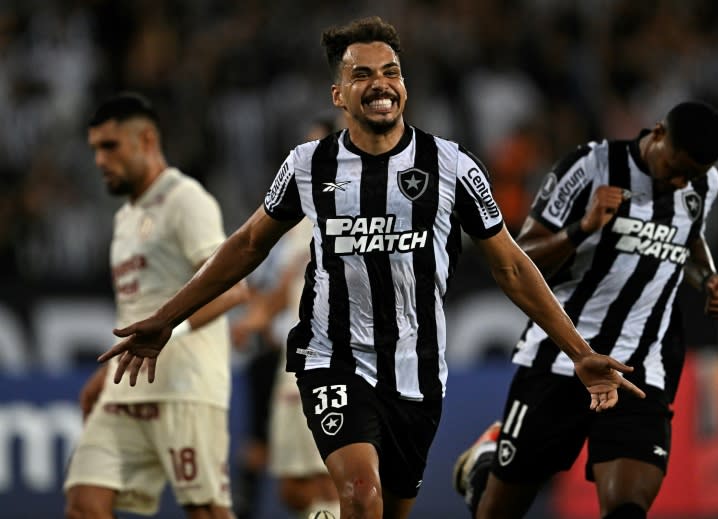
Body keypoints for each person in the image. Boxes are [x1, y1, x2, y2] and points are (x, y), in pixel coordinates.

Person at [97, 17, 644, 519]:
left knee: (385, 511)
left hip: (417, 370)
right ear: (339, 94)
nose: (380, 83)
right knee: (360, 498)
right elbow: (245, 247)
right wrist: (167, 319)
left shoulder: (451, 165)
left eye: (391, 73)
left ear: (404, 86)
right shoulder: (309, 165)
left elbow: (512, 267)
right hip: (331, 356)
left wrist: (579, 352)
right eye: (362, 75)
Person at [452, 101, 718, 519]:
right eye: (675, 168)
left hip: (639, 370)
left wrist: (707, 277)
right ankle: (484, 469)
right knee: (496, 512)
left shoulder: (703, 183)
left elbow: (689, 239)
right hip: (562, 358)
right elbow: (520, 255)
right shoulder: (590, 166)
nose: (679, 182)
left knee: (626, 510)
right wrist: (582, 227)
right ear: (657, 134)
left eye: (690, 176)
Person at [64, 92, 248, 519]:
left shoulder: (186, 199)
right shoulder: (124, 217)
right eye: (94, 149)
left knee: (205, 512)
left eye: (109, 146)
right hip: (124, 390)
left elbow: (233, 289)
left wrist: (170, 331)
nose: (98, 160)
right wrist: (107, 371)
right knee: (83, 504)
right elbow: (136, 309)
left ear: (146, 140)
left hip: (185, 387)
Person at [232, 119, 341, 519]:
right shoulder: (297, 221)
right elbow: (285, 285)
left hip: (333, 358)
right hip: (289, 363)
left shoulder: (354, 210)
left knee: (328, 476)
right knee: (293, 487)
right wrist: (256, 318)